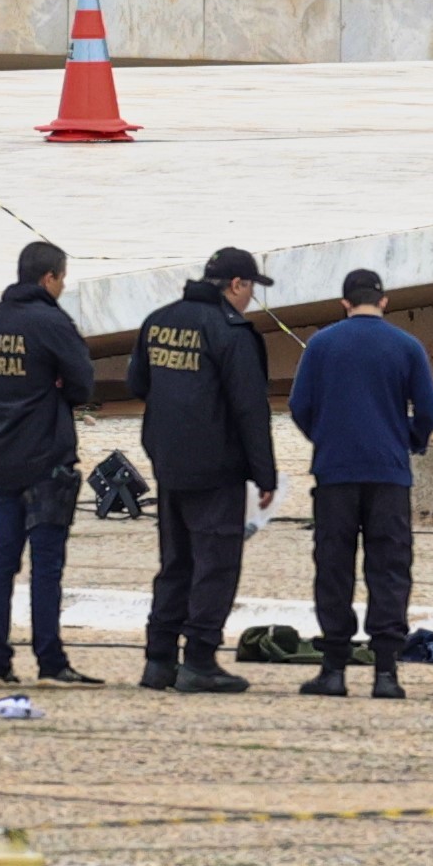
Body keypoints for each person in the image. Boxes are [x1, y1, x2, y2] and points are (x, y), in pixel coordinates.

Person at [287, 269, 433, 702]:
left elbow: (299, 405)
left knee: (334, 568)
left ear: (344, 302)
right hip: (389, 474)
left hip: (336, 473)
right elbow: (429, 409)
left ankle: (334, 668)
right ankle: (386, 673)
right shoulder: (407, 346)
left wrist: (326, 437)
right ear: (385, 302)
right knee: (389, 570)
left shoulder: (321, 344)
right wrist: (410, 438)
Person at [127, 245, 279, 694]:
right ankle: (199, 660)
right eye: (250, 288)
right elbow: (250, 409)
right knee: (215, 565)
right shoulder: (231, 331)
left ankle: (158, 661)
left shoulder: (158, 320)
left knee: (175, 563)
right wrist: (265, 475)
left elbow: (138, 384)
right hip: (217, 468)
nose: (251, 298)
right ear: (236, 285)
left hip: (169, 464)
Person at [0, 239, 97, 686]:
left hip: (0, 455)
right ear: (50, 278)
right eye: (62, 278)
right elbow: (83, 383)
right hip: (45, 458)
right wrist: (58, 389)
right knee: (46, 566)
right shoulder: (51, 321)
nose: (63, 286)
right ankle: (51, 661)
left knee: (2, 562)